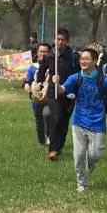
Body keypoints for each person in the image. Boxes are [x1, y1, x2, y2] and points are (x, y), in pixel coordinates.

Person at [52, 47, 107, 192]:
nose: (83, 61)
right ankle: (82, 183)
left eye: (86, 59)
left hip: (98, 124)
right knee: (79, 155)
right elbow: (62, 90)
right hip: (79, 122)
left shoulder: (104, 81)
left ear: (94, 61)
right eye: (81, 59)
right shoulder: (75, 78)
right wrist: (56, 84)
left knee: (95, 155)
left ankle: (85, 174)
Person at [36, 27, 79, 161]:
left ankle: (58, 147)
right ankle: (53, 150)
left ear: (67, 41)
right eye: (57, 39)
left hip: (69, 93)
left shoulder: (73, 57)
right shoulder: (50, 56)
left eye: (62, 40)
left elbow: (79, 74)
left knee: (64, 121)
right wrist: (39, 84)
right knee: (56, 117)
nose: (60, 42)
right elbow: (41, 72)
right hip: (53, 92)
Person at [24, 42, 52, 147]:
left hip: (50, 97)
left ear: (50, 53)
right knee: (39, 119)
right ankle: (41, 141)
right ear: (37, 52)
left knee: (48, 115)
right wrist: (27, 85)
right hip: (36, 97)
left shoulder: (53, 67)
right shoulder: (33, 67)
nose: (43, 54)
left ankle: (49, 136)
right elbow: (28, 80)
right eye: (41, 51)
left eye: (46, 51)